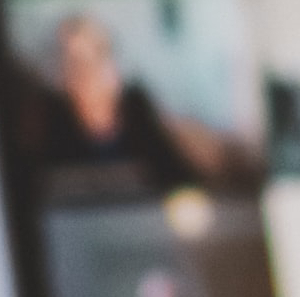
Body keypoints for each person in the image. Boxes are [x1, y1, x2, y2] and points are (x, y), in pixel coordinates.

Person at [37, 16, 200, 194]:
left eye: (98, 55)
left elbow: (179, 182)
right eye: (75, 63)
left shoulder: (138, 110)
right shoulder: (48, 125)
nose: (89, 72)